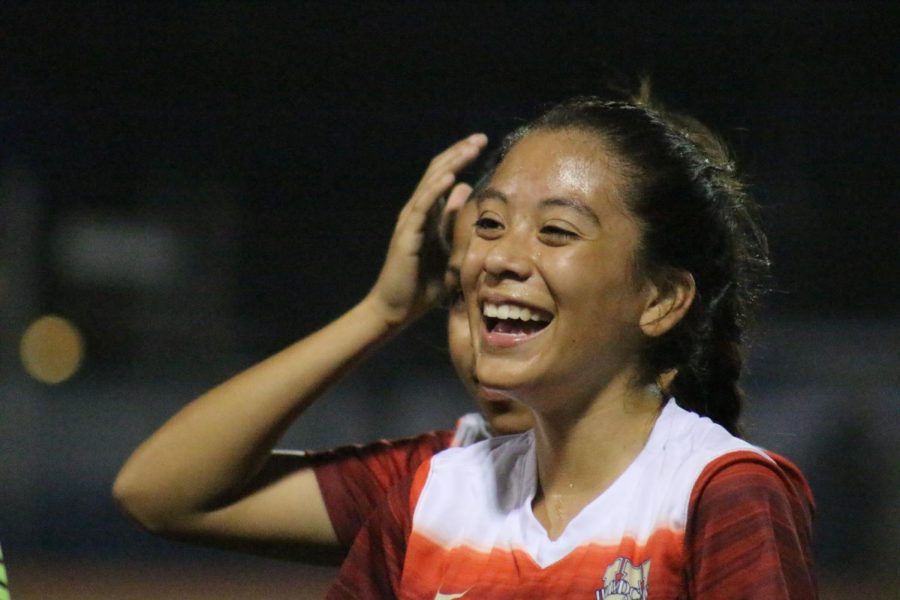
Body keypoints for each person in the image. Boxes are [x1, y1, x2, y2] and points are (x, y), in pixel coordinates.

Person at [327, 94, 816, 598]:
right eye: (490, 224)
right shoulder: (432, 496)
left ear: (661, 300)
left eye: (556, 231)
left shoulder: (721, 494)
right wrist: (378, 310)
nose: (498, 259)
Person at [112, 133, 533, 563]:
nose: (488, 336)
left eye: (522, 310)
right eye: (460, 296)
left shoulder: (607, 497)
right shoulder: (439, 484)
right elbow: (158, 494)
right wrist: (380, 312)